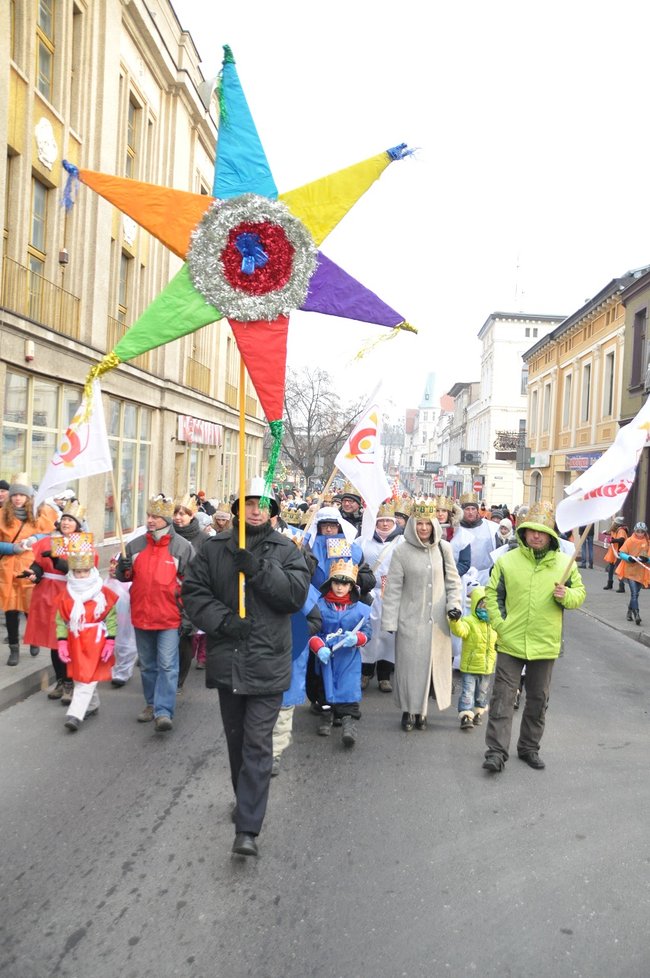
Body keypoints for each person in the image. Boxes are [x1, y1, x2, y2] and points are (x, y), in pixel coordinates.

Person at [181, 477, 311, 858]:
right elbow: (194, 592)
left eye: (263, 504)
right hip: (229, 659)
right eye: (250, 503)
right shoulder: (214, 546)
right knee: (237, 742)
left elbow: (294, 596)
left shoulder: (286, 549)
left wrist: (257, 570)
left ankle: (248, 828)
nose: (256, 509)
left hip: (269, 661)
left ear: (273, 511)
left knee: (257, 744)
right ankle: (246, 800)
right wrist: (222, 620)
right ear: (238, 508)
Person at [482, 500, 586, 773]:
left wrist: (568, 596)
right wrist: (500, 625)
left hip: (545, 643)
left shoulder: (566, 564)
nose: (536, 535)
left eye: (542, 531)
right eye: (531, 530)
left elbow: (580, 596)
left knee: (538, 699)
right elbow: (492, 594)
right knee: (503, 698)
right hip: (510, 641)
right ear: (524, 532)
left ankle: (529, 747)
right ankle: (496, 751)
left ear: (550, 535)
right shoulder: (507, 560)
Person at [381, 497, 463, 732]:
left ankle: (423, 712)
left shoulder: (443, 548)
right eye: (419, 523)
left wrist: (454, 605)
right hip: (410, 620)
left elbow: (453, 581)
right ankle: (408, 710)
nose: (424, 528)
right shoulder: (401, 552)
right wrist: (390, 620)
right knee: (409, 669)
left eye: (427, 523)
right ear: (412, 525)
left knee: (430, 669)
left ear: (434, 524)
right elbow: (394, 589)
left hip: (437, 622)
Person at [116, 494, 194, 732]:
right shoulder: (134, 545)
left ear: (166, 519)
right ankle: (151, 704)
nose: (150, 520)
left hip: (170, 618)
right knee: (148, 666)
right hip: (141, 615)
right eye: (149, 516)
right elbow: (124, 576)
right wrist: (123, 569)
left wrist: (188, 618)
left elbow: (193, 585)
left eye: (156, 517)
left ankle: (163, 711)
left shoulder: (182, 547)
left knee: (168, 666)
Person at [23, 501, 92, 702]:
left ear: (78, 524)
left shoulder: (82, 543)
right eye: (64, 519)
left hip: (72, 594)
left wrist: (57, 561)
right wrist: (33, 573)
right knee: (55, 642)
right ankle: (61, 680)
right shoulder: (49, 541)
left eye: (71, 520)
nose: (66, 523)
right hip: (48, 595)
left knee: (69, 640)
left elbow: (80, 570)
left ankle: (71, 682)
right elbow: (38, 564)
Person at [55, 533, 118, 732]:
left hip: (96, 640)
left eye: (84, 571)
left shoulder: (102, 593)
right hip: (76, 639)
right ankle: (92, 705)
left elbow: (111, 617)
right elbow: (61, 619)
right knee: (80, 675)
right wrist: (62, 641)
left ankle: (75, 714)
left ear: (91, 570)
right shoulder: (67, 593)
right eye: (77, 572)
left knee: (87, 677)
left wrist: (110, 640)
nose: (81, 576)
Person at [308, 559, 371, 746]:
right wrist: (319, 647)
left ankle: (348, 724)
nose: (340, 587)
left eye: (345, 583)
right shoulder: (318, 606)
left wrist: (358, 638)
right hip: (325, 658)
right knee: (324, 690)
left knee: (349, 690)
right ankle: (326, 715)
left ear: (351, 586)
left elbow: (368, 632)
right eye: (336, 582)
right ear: (330, 583)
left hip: (348, 659)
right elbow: (312, 630)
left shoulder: (360, 610)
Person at [0, 472, 55, 666]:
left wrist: (35, 539)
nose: (17, 498)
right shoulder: (1, 515)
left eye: (22, 495)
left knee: (31, 608)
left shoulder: (37, 515)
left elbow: (48, 535)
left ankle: (33, 639)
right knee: (11, 610)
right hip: (8, 569)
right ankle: (13, 648)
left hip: (31, 567)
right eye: (15, 495)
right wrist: (10, 547)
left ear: (28, 497)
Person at [360, 502, 403, 693]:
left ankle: (385, 676)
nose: (385, 524)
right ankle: (365, 672)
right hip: (369, 594)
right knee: (367, 633)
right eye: (381, 521)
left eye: (388, 521)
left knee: (388, 634)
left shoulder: (402, 542)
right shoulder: (363, 540)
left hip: (392, 594)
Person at [172, 495, 209, 693]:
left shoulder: (203, 539)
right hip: (168, 595)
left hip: (191, 594)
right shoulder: (167, 535)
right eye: (175, 513)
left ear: (192, 515)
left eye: (182, 514)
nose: (178, 517)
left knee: (185, 638)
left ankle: (179, 679)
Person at [449, 586, 497, 730]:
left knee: (482, 693)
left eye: (489, 606)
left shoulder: (494, 623)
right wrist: (455, 621)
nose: (486, 609)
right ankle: (466, 715)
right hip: (470, 666)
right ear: (476, 604)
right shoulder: (469, 621)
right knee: (467, 692)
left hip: (487, 667)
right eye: (483, 605)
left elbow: (501, 639)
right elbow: (460, 631)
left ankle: (478, 712)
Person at [457, 492, 496, 585]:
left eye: (473, 509)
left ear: (477, 510)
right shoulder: (455, 528)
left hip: (484, 577)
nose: (470, 512)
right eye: (467, 509)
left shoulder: (491, 528)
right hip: (460, 577)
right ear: (462, 511)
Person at [616, 522, 650, 626]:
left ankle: (629, 612)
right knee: (634, 593)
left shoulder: (647, 542)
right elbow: (621, 553)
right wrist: (629, 558)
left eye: (642, 532)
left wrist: (646, 559)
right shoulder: (629, 541)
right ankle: (637, 614)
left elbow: (648, 557)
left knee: (636, 594)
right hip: (630, 571)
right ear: (635, 531)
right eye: (638, 531)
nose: (640, 534)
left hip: (640, 572)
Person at [603, 516, 628, 592]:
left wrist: (613, 541)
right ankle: (610, 584)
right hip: (614, 552)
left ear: (616, 524)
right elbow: (610, 533)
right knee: (611, 568)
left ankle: (622, 586)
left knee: (619, 569)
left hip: (619, 552)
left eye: (614, 522)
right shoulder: (614, 530)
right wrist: (605, 533)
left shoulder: (621, 530)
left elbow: (621, 539)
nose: (612, 523)